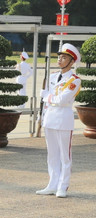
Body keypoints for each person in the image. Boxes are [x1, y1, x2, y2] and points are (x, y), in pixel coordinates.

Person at [37, 43, 82, 198]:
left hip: (63, 120)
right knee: (52, 155)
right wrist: (41, 117)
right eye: (60, 57)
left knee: (65, 156)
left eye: (64, 58)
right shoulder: (53, 76)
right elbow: (50, 101)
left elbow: (62, 100)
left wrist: (46, 96)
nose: (60, 60)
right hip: (49, 118)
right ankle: (52, 184)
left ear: (71, 61)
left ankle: (62, 186)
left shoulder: (75, 80)